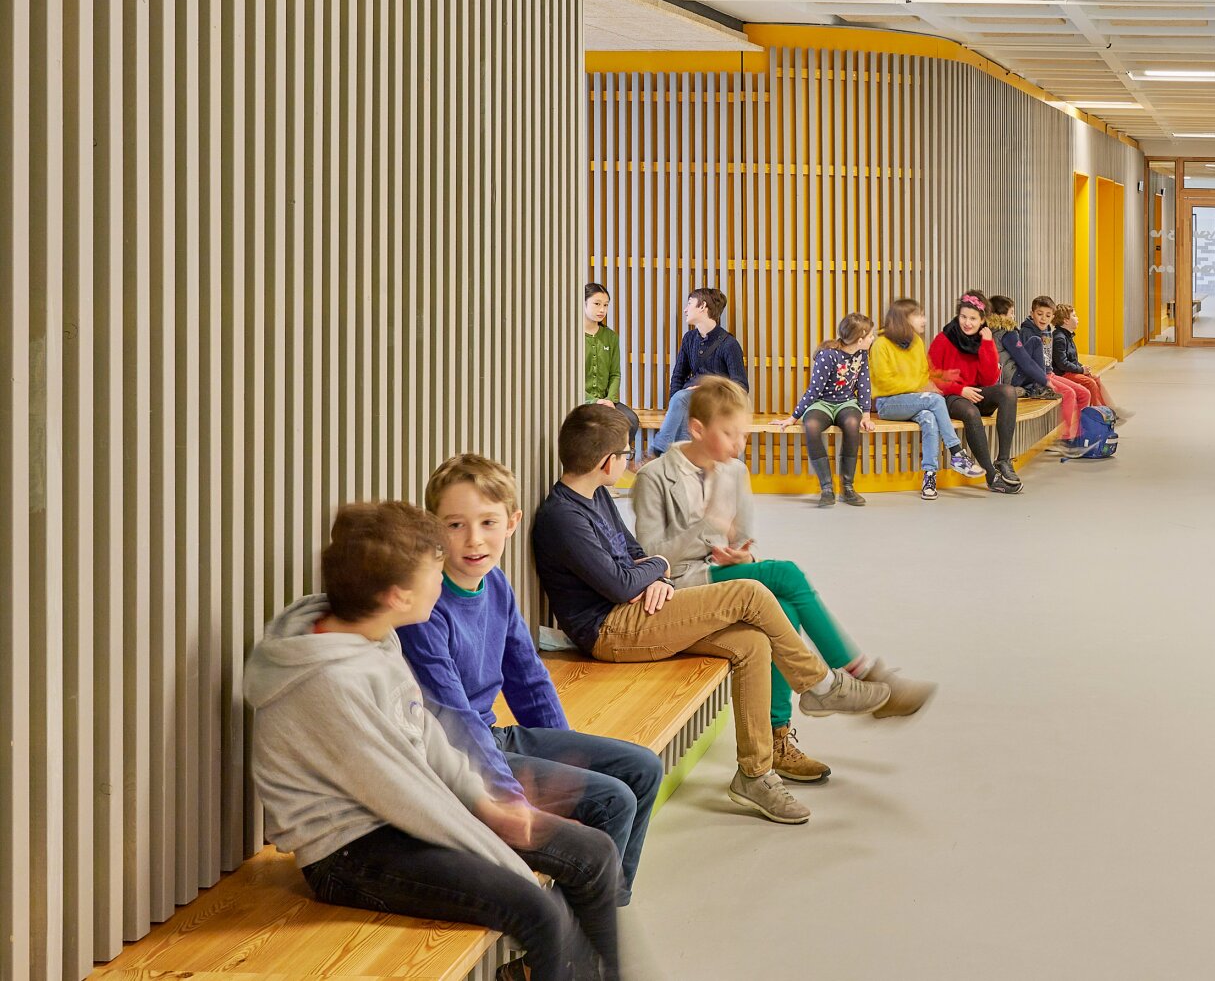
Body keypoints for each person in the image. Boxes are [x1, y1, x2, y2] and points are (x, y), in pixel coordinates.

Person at [246, 502, 622, 981]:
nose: (442, 581)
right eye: (434, 571)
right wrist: (500, 848)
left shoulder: (368, 632)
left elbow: (424, 731)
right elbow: (406, 794)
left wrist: (488, 803)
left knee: (594, 855)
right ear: (398, 596)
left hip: (402, 814)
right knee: (539, 910)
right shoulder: (332, 683)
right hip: (350, 854)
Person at [532, 402, 901, 826]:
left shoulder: (594, 495)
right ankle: (819, 683)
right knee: (749, 592)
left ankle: (755, 774)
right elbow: (620, 583)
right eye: (624, 454)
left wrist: (650, 576)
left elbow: (634, 554)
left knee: (752, 642)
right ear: (605, 462)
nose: (628, 460)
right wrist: (660, 569)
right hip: (611, 631)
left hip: (640, 611)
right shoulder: (562, 517)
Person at [631, 375, 935, 783]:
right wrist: (707, 527)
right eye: (729, 434)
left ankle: (778, 738)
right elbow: (653, 558)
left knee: (786, 610)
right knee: (786, 574)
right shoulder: (654, 477)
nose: (739, 444)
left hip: (723, 575)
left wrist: (742, 553)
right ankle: (852, 676)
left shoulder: (735, 472)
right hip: (680, 588)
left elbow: (743, 540)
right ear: (697, 429)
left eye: (742, 433)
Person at [400, 454, 661, 904]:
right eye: (455, 524)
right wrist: (510, 796)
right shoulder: (427, 607)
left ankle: (598, 917)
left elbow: (528, 679)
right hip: (452, 757)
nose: (474, 539)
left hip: (493, 738)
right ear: (432, 527)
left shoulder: (496, 583)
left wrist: (570, 767)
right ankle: (576, 946)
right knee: (612, 802)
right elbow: (453, 719)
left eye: (487, 522)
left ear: (513, 522)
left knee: (643, 768)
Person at [868, 297, 984, 500]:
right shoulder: (881, 345)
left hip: (913, 400)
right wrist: (922, 387)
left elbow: (923, 375)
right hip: (888, 403)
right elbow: (884, 383)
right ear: (903, 319)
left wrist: (943, 377)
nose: (924, 320)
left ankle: (929, 477)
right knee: (935, 400)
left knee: (929, 418)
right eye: (919, 315)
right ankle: (957, 453)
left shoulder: (916, 343)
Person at [779, 314, 877, 509]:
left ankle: (848, 487)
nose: (873, 339)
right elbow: (814, 390)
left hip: (846, 402)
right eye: (870, 336)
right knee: (812, 426)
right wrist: (793, 417)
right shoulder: (828, 355)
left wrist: (866, 414)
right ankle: (826, 488)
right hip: (822, 403)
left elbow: (864, 383)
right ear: (860, 340)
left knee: (851, 424)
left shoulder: (862, 354)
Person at [930, 291, 1023, 494]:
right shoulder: (944, 339)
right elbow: (932, 376)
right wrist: (960, 389)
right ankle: (991, 476)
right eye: (963, 317)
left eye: (973, 318)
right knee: (970, 411)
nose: (967, 323)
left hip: (975, 392)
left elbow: (989, 379)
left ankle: (1003, 461)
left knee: (1008, 392)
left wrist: (988, 344)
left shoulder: (983, 339)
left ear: (982, 320)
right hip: (951, 396)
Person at [648, 286, 748, 456]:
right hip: (689, 401)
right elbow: (678, 375)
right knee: (682, 406)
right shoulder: (689, 339)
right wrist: (674, 406)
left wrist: (707, 389)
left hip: (716, 402)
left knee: (682, 399)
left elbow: (741, 386)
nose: (685, 309)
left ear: (702, 307)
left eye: (689, 303)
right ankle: (683, 465)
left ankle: (658, 451)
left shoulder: (729, 344)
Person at [992, 294, 1087, 442]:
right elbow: (1025, 361)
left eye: (1048, 315)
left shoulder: (994, 331)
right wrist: (1043, 380)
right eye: (1011, 313)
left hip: (1018, 376)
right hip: (1015, 378)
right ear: (1002, 315)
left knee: (1084, 393)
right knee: (1069, 393)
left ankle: (1078, 432)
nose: (1014, 316)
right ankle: (1069, 437)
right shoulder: (1009, 333)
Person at [1035, 296, 1124, 422]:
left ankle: (1110, 409)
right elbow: (1062, 364)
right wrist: (1081, 370)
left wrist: (1083, 368)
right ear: (1066, 320)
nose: (1077, 319)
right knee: (1090, 383)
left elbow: (1073, 359)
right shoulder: (1059, 338)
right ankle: (1100, 415)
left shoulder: (1067, 336)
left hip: (1069, 371)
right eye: (1074, 316)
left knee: (1095, 378)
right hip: (1063, 374)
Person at [582, 282, 642, 453]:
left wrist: (609, 400)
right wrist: (593, 401)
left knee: (630, 420)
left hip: (607, 400)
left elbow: (615, 374)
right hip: (580, 399)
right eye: (597, 304)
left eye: (606, 305)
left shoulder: (611, 337)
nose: (602, 310)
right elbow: (568, 378)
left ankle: (611, 464)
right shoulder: (572, 336)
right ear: (583, 303)